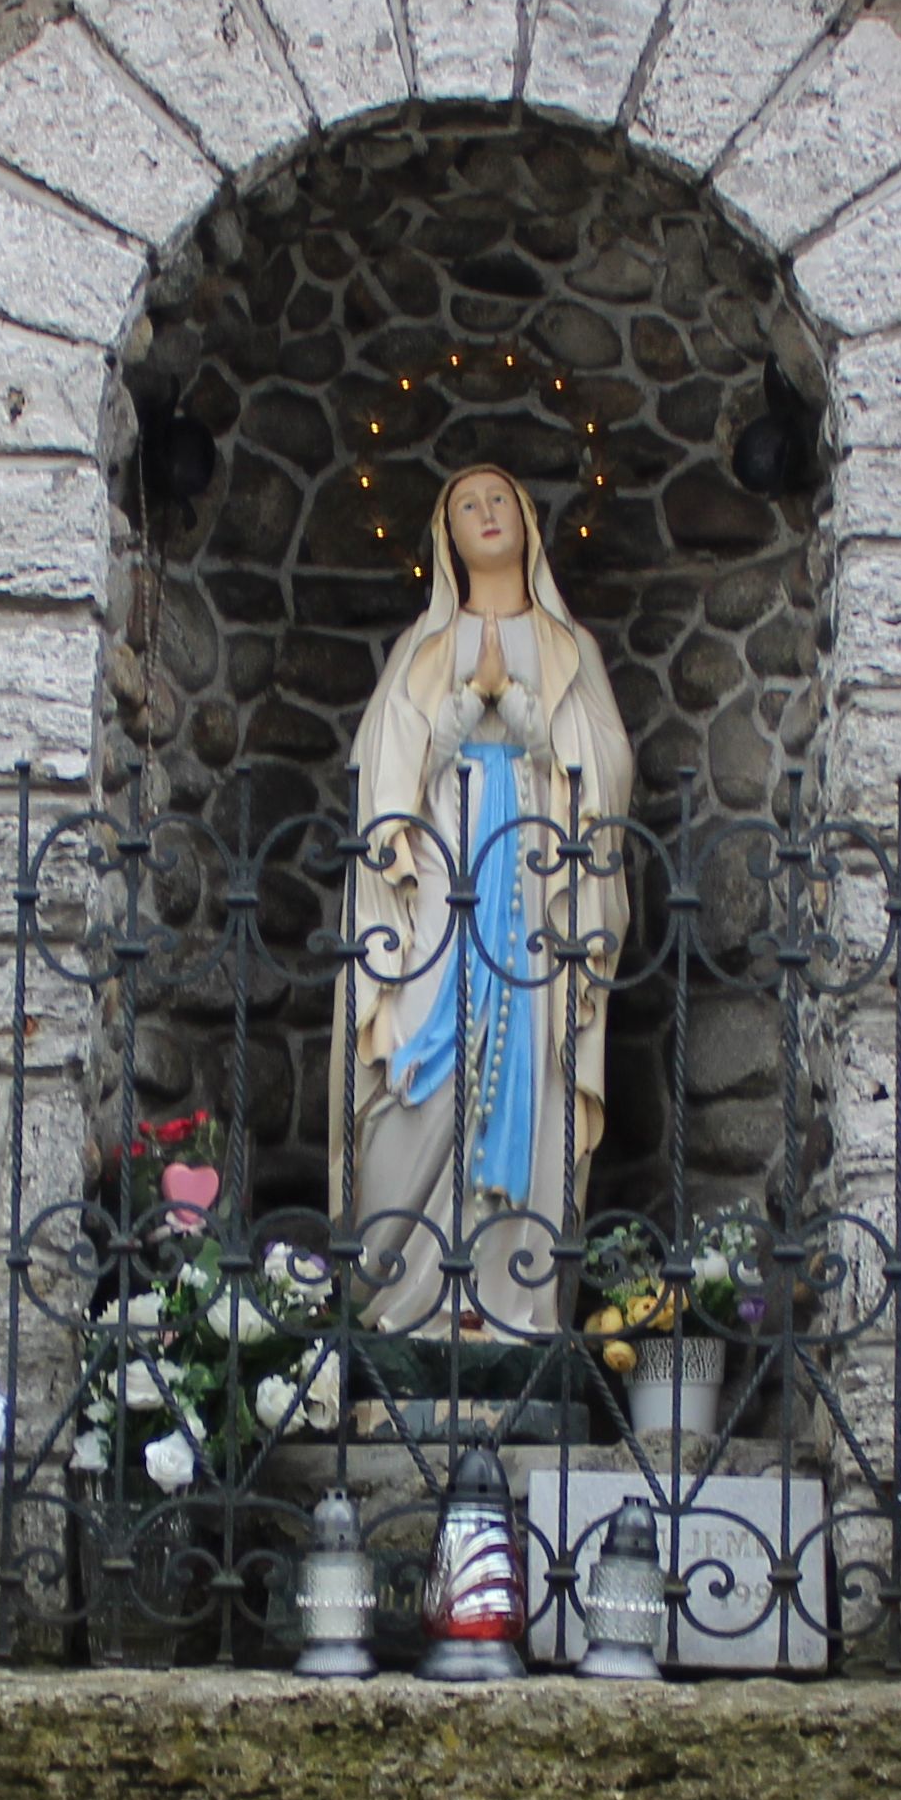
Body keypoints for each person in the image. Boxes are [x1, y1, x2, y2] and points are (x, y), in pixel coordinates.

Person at [328, 467, 632, 1336]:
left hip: (535, 883)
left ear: (528, 522)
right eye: (467, 504)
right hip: (441, 881)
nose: (487, 514)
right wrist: (465, 706)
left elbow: (606, 768)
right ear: (444, 535)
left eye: (500, 500)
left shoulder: (567, 647)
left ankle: (506, 1304)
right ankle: (403, 1298)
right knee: (419, 1068)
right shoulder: (420, 651)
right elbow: (382, 779)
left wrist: (531, 718)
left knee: (530, 1068)